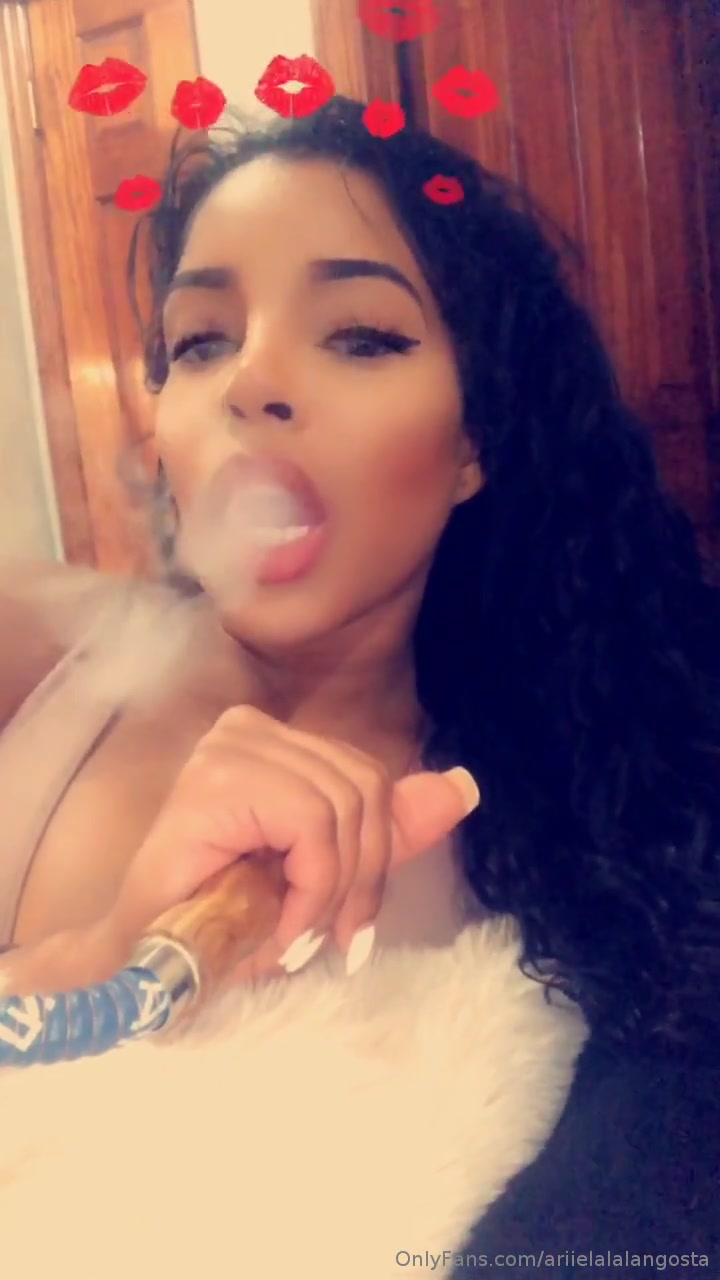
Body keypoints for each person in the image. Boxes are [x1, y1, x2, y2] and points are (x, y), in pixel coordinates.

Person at [0, 95, 718, 1277]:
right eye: (201, 342)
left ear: (475, 441)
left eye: (362, 337)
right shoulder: (36, 645)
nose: (251, 382)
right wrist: (106, 953)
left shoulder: (566, 825)